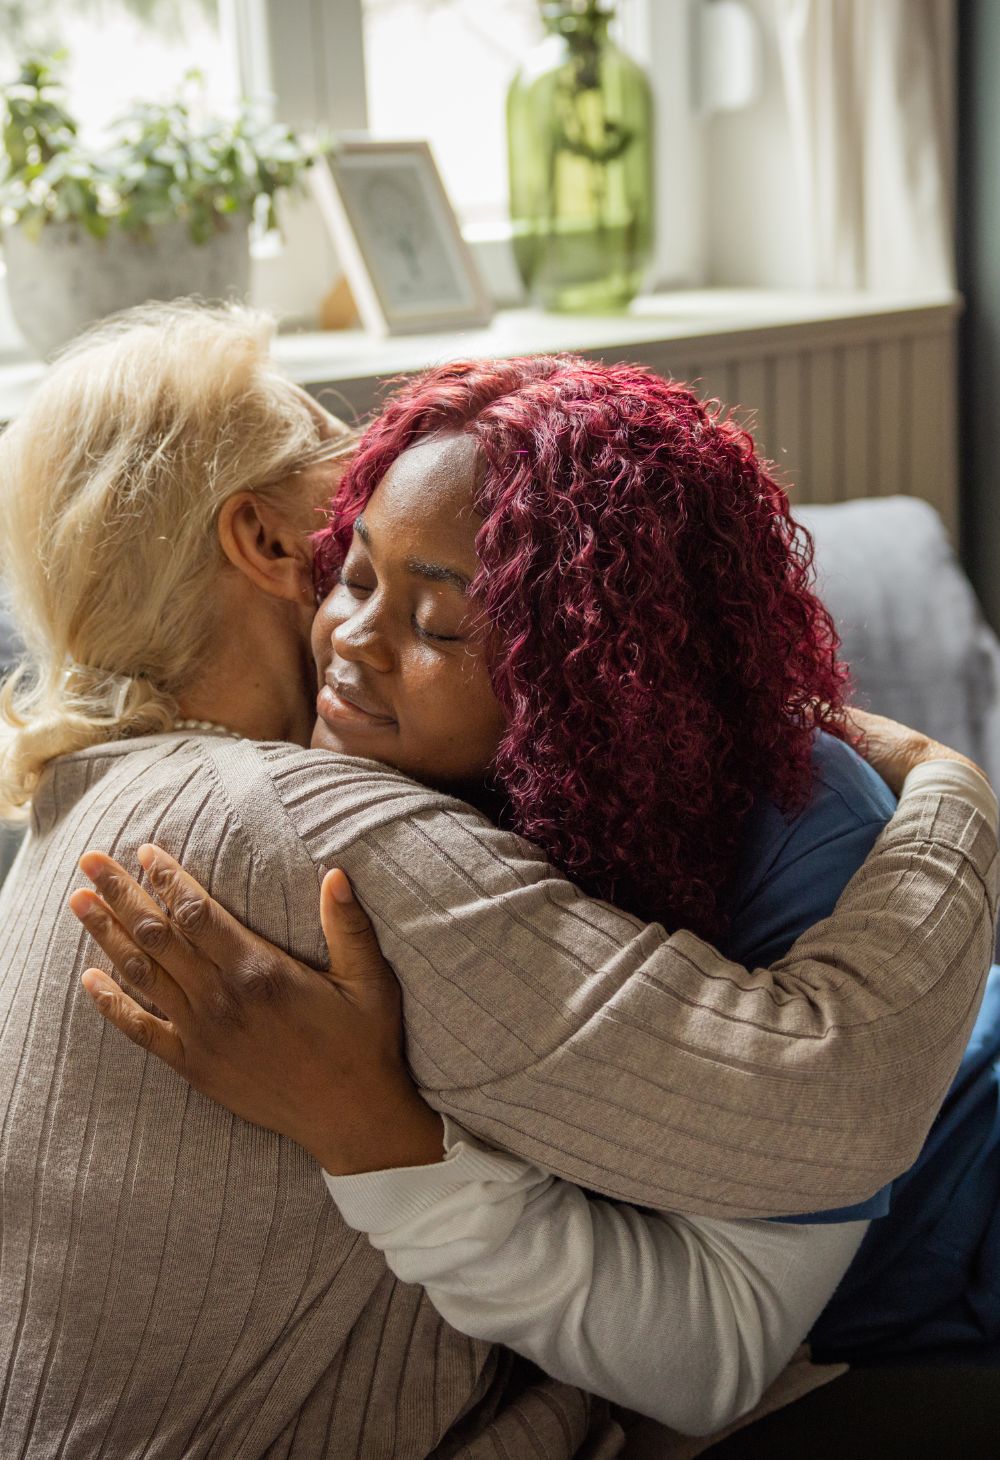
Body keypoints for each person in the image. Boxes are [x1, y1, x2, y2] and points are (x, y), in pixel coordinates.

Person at [44, 338, 996, 1455]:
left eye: (438, 624)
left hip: (951, 1241)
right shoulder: (386, 772)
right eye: (350, 574)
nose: (350, 639)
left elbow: (716, 1351)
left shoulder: (799, 831)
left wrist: (377, 1137)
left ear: (590, 670)